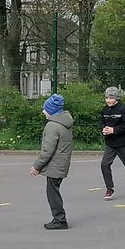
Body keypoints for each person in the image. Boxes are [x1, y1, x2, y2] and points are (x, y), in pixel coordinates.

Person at [29, 93, 74, 229]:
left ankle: (60, 219)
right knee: (54, 190)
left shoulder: (52, 126)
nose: (43, 112)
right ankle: (59, 218)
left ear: (52, 111)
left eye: (46, 109)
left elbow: (47, 151)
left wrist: (36, 166)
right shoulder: (65, 123)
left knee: (52, 193)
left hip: (55, 166)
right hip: (62, 164)